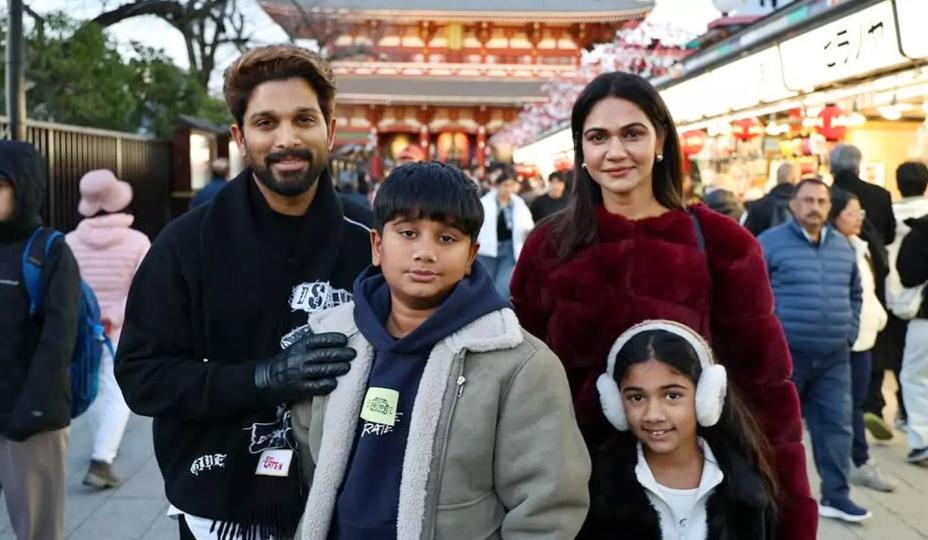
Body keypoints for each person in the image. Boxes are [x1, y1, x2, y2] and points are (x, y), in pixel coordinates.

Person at [510, 72, 816, 539]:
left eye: (632, 133)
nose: (615, 152)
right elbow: (517, 376)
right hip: (575, 493)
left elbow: (765, 386)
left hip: (696, 499)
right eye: (598, 138)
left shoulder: (722, 243)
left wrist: (794, 517)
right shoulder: (548, 247)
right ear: (581, 151)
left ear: (660, 140)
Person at [114, 45, 372, 540]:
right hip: (222, 498)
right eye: (266, 123)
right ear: (239, 136)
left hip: (347, 499)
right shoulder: (186, 245)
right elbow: (141, 376)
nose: (287, 139)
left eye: (304, 119)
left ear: (331, 131)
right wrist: (263, 377)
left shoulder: (370, 240)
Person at [294, 161, 590, 539]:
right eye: (408, 233)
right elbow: (307, 450)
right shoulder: (336, 338)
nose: (425, 252)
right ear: (377, 245)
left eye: (446, 239)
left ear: (471, 256)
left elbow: (549, 506)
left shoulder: (519, 364)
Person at [0, 140, 81, 540]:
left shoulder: (49, 252)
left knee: (37, 532)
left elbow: (59, 340)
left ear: (23, 188)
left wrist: (35, 411)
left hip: (28, 424)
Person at [579, 321, 778, 540]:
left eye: (672, 395)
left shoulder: (745, 489)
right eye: (636, 397)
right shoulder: (596, 488)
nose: (653, 415)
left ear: (707, 396)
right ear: (615, 403)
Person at [759, 178, 868, 522]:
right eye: (807, 200)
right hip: (787, 357)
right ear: (793, 204)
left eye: (821, 201)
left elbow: (856, 293)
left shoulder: (843, 246)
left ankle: (836, 495)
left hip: (835, 357)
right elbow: (752, 295)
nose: (815, 207)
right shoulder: (769, 243)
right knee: (777, 430)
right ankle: (770, 498)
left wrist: (848, 334)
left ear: (829, 206)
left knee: (837, 428)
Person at [65, 169, 151, 489]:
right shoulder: (138, 241)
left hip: (82, 329)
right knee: (118, 391)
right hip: (120, 329)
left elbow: (66, 288)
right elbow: (143, 289)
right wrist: (114, 315)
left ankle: (104, 448)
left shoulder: (69, 242)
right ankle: (102, 457)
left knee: (95, 385)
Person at [828, 188, 895, 492]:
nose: (858, 218)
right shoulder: (831, 249)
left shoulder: (859, 245)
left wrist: (878, 317)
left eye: (860, 213)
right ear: (835, 214)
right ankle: (857, 461)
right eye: (852, 212)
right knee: (847, 405)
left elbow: (867, 293)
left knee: (854, 402)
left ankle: (854, 461)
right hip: (845, 340)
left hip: (865, 338)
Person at [874, 162, 928, 434]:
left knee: (900, 361)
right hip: (922, 300)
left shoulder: (889, 213)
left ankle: (907, 415)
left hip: (893, 294)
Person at [896, 205, 928, 464]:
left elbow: (907, 275)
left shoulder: (919, 232)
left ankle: (922, 441)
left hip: (924, 319)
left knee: (914, 377)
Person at [477, 171, 533, 299]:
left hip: (509, 249)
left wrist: (527, 233)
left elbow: (528, 224)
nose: (508, 189)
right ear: (497, 186)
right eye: (505, 185)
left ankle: (499, 315)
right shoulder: (485, 203)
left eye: (510, 185)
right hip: (487, 251)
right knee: (486, 286)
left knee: (503, 287)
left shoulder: (518, 204)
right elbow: (476, 225)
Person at [831, 144, 896, 247]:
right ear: (858, 164)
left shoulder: (826, 196)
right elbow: (890, 236)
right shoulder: (881, 194)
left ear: (831, 166)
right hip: (874, 258)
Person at [741, 161, 796, 237]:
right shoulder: (803, 206)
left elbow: (746, 238)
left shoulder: (758, 206)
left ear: (777, 179)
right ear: (794, 179)